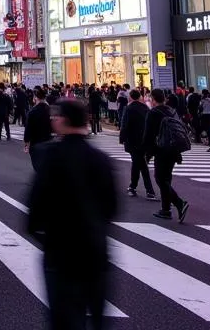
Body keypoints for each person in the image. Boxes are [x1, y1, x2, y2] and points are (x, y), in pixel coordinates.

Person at [27, 98, 116, 330]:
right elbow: (111, 207)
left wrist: (43, 234)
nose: (52, 119)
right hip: (96, 252)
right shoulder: (101, 159)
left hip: (61, 253)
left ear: (64, 121)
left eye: (55, 116)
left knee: (64, 319)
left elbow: (35, 208)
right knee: (97, 319)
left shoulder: (52, 157)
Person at [144, 87, 190, 223]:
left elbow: (148, 136)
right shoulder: (171, 111)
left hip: (161, 149)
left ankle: (179, 203)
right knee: (166, 178)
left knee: (159, 178)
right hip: (173, 149)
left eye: (150, 98)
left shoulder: (153, 113)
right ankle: (165, 210)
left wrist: (147, 154)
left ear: (153, 99)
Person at [118, 88, 155, 199]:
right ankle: (134, 187)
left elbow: (124, 125)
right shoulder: (145, 108)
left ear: (130, 97)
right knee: (138, 163)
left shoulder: (128, 108)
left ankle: (148, 190)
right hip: (144, 140)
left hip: (132, 140)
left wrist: (122, 138)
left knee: (140, 164)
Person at [23, 87, 53, 170]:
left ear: (36, 97)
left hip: (36, 141)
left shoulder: (33, 111)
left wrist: (26, 141)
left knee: (37, 163)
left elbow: (28, 128)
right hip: (49, 139)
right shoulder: (49, 109)